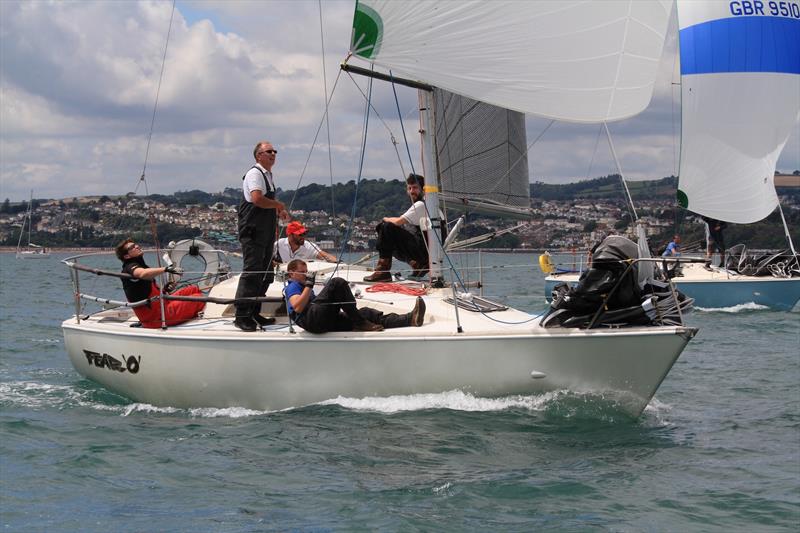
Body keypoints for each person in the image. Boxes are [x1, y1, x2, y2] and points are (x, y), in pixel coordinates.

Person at [234, 141, 291, 332]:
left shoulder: (268, 175)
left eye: (275, 151)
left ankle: (254, 311)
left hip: (265, 233)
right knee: (252, 273)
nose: (273, 154)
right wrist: (278, 205)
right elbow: (257, 199)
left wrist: (277, 211)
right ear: (259, 155)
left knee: (266, 273)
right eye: (269, 151)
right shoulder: (255, 174)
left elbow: (265, 202)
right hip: (253, 232)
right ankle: (241, 316)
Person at [285, 259, 425, 333]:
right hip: (311, 321)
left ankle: (409, 319)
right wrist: (309, 286)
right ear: (291, 273)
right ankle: (360, 322)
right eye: (302, 272)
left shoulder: (302, 287)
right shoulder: (292, 286)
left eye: (306, 271)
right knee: (336, 283)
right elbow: (297, 307)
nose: (306, 274)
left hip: (321, 322)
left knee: (365, 313)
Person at [364, 173, 444, 282]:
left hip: (426, 252)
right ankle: (418, 265)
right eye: (409, 188)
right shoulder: (432, 206)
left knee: (386, 227)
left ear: (423, 189)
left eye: (415, 188)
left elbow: (398, 222)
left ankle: (382, 271)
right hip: (430, 253)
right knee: (392, 238)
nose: (411, 191)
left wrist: (385, 218)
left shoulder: (421, 204)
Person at [115, 238, 205, 328]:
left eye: (136, 244)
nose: (137, 246)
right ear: (126, 256)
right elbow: (141, 273)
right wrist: (166, 269)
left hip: (161, 305)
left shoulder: (140, 265)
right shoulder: (129, 267)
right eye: (132, 247)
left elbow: (145, 291)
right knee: (199, 298)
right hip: (157, 317)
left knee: (193, 289)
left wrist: (165, 290)